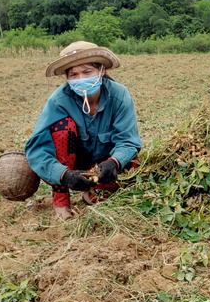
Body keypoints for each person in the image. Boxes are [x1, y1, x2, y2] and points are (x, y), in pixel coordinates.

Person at [25, 41, 142, 220]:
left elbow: (128, 141)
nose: (81, 79)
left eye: (87, 72)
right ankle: (61, 202)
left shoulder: (119, 96)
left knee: (133, 168)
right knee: (62, 128)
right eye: (74, 74)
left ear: (101, 70)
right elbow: (38, 150)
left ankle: (92, 191)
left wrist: (114, 163)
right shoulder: (59, 101)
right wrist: (64, 175)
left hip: (104, 166)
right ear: (67, 78)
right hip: (70, 165)